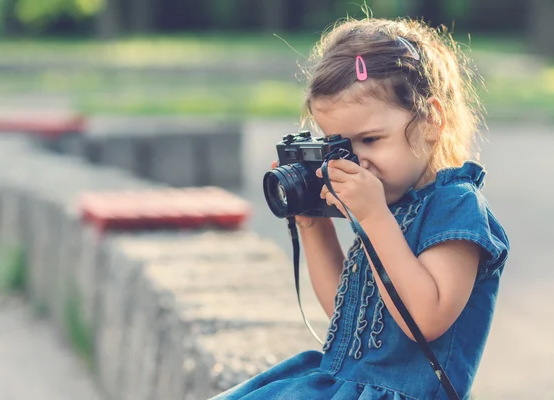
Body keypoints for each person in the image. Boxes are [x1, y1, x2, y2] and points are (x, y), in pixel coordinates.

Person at [210, 16, 510, 400]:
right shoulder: (388, 205)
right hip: (340, 384)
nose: (356, 160)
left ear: (432, 121)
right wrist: (312, 225)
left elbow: (426, 318)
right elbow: (348, 315)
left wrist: (372, 219)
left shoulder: (456, 206)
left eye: (370, 139)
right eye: (339, 145)